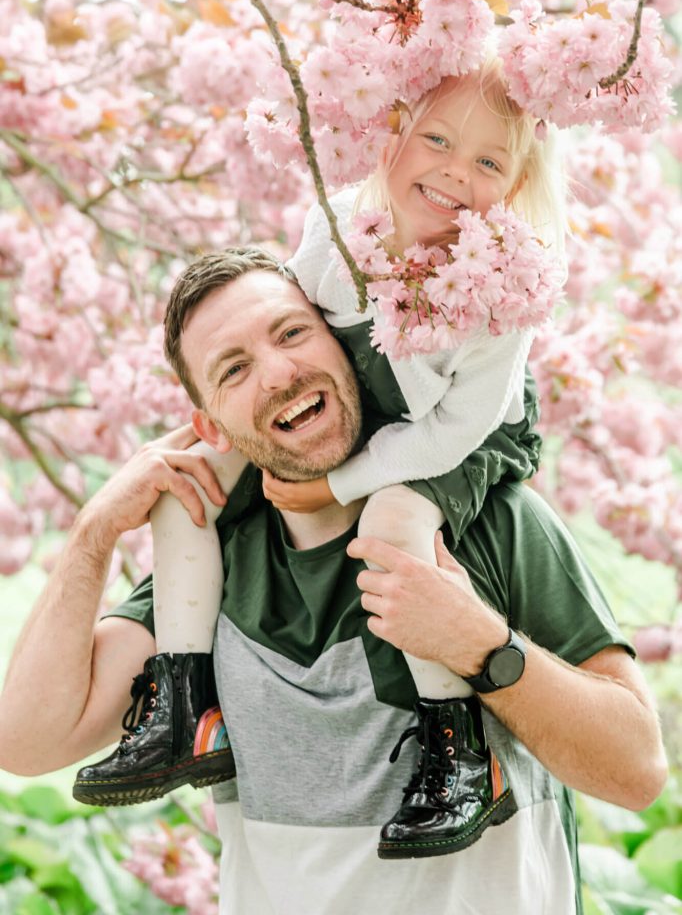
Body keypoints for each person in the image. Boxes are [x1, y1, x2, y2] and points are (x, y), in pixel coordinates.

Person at [0, 249, 667, 915]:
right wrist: (93, 532)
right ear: (210, 428)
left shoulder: (491, 522)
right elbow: (27, 742)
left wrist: (480, 645)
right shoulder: (209, 575)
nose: (279, 373)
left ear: (345, 342)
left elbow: (636, 772)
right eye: (234, 369)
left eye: (292, 332)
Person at [71, 58, 567, 859]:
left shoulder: (504, 291)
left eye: (488, 161)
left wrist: (338, 483)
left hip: (463, 435)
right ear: (388, 137)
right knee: (188, 476)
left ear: (514, 186)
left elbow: (450, 432)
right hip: (371, 395)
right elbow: (297, 328)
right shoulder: (338, 227)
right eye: (436, 140)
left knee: (393, 522)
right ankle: (185, 704)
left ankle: (458, 750)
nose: (455, 171)